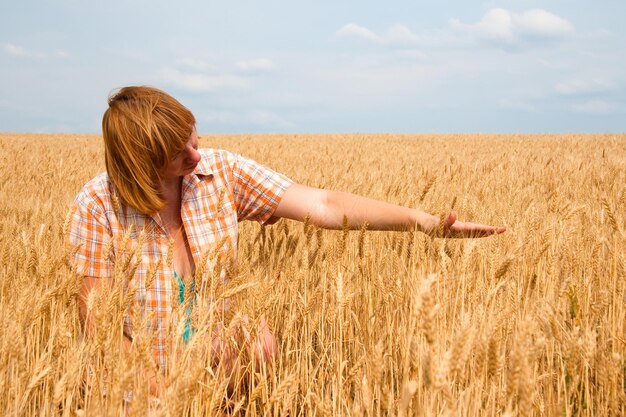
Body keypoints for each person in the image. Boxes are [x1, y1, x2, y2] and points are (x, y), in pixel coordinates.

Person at [66, 85, 505, 398]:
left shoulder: (219, 174)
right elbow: (103, 331)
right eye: (178, 153)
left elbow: (326, 205)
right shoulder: (96, 206)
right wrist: (164, 398)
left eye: (193, 136)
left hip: (217, 371)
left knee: (255, 341)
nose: (196, 155)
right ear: (141, 163)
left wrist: (422, 222)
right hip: (141, 378)